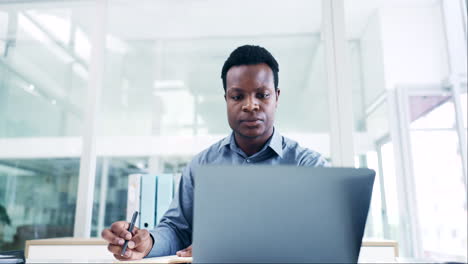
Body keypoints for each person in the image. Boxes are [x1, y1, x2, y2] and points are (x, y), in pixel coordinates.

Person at [101, 45, 328, 260]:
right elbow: (177, 231)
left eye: (262, 95)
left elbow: (323, 238)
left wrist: (235, 247)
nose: (251, 105)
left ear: (277, 97)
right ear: (226, 100)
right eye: (237, 96)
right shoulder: (201, 165)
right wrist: (147, 242)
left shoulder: (309, 166)